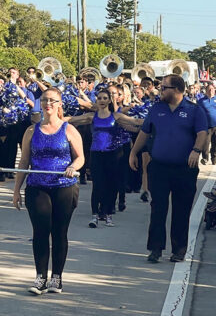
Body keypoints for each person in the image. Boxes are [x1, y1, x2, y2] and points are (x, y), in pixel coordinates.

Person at [13, 87, 84, 295]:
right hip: (37, 186)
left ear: (59, 104)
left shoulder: (69, 129)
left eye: (53, 101)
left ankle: (57, 277)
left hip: (64, 187)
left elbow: (80, 157)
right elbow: (24, 161)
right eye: (44, 100)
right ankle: (40, 277)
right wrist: (17, 190)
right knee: (40, 232)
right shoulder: (31, 131)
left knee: (59, 232)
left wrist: (73, 167)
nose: (48, 104)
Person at [129, 74, 207, 263]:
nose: (160, 90)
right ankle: (155, 248)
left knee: (181, 209)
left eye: (164, 87)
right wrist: (133, 152)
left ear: (177, 90)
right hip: (160, 167)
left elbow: (202, 133)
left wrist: (196, 150)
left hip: (184, 168)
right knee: (158, 208)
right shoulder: (157, 109)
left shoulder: (194, 110)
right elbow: (145, 131)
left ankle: (179, 250)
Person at [67, 89, 143, 228]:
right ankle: (95, 215)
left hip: (113, 155)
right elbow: (72, 119)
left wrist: (157, 121)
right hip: (96, 154)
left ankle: (108, 214)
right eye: (99, 98)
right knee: (97, 185)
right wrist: (55, 119)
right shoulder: (92, 116)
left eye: (104, 98)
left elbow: (136, 121)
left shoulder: (116, 116)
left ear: (109, 100)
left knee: (111, 185)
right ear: (97, 101)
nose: (102, 100)